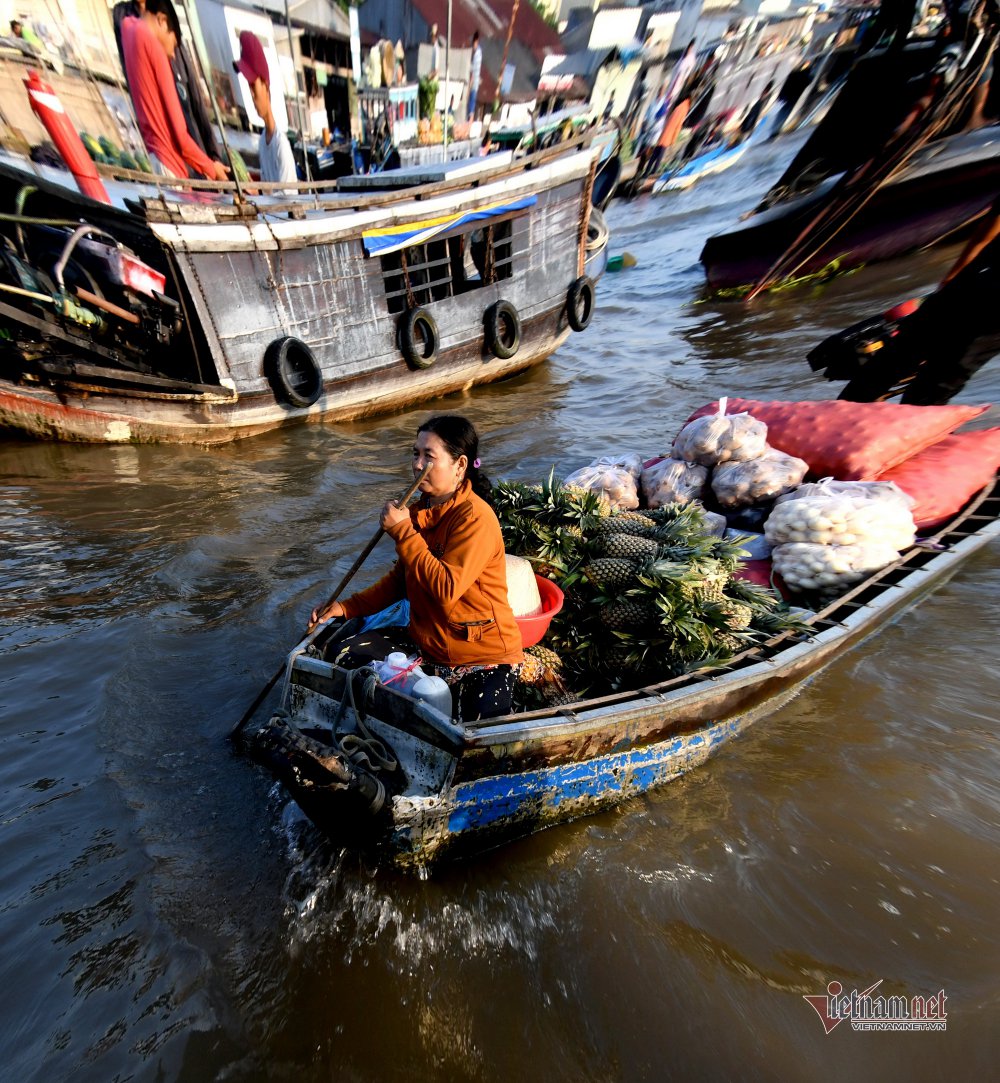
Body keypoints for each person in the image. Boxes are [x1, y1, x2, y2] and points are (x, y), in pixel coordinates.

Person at [310, 415, 524, 722]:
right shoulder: (420, 509)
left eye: (429, 456)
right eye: (415, 453)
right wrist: (344, 608)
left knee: (473, 731)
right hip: (429, 644)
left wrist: (404, 532)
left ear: (460, 465)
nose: (417, 464)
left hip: (481, 653)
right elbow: (400, 581)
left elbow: (445, 591)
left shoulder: (475, 518)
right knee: (340, 653)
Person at [839, 195, 1000, 404]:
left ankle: (913, 430)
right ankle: (842, 416)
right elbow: (984, 238)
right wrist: (951, 280)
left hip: (992, 313)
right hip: (969, 284)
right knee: (894, 358)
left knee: (940, 378)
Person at [119, 0, 229, 181]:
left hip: (154, 160)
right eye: (174, 43)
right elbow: (181, 138)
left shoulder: (128, 29)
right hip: (170, 166)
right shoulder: (155, 48)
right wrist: (211, 168)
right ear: (162, 21)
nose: (172, 54)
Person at [233, 30, 297, 188]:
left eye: (254, 87)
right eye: (250, 88)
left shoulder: (280, 146)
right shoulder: (262, 141)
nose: (253, 96)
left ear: (266, 86)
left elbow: (290, 200)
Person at [468, 31, 482, 120]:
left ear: (475, 42)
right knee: (472, 101)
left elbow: (474, 71)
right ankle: (470, 117)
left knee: (471, 102)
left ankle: (470, 119)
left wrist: (470, 83)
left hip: (474, 82)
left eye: (473, 44)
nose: (473, 47)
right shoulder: (479, 52)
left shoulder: (477, 54)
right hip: (476, 81)